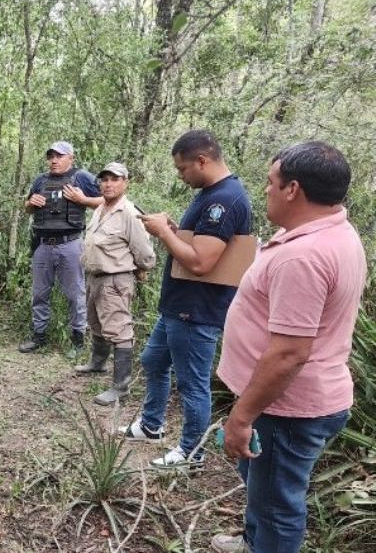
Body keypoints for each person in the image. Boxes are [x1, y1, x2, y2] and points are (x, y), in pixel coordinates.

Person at [210, 142, 366, 553]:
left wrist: (242, 418)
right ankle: (252, 540)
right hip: (284, 403)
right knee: (264, 488)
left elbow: (289, 353)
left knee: (278, 503)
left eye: (270, 182)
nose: (265, 190)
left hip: (286, 408)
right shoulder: (332, 231)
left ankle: (266, 542)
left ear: (293, 189)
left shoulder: (305, 256)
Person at [118, 130, 252, 469]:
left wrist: (163, 233)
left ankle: (192, 452)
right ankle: (151, 425)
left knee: (192, 383)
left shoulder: (226, 201)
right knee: (153, 361)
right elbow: (199, 246)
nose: (180, 175)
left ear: (202, 161)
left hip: (197, 309)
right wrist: (175, 230)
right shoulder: (211, 194)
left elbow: (200, 262)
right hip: (178, 305)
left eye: (182, 169)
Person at [76, 162, 155, 405]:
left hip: (115, 279)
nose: (108, 184)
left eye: (115, 179)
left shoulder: (129, 213)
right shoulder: (100, 208)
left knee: (119, 329)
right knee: (96, 321)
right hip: (94, 276)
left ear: (125, 183)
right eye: (105, 179)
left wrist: (141, 268)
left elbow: (144, 251)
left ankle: (121, 386)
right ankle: (97, 363)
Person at [19, 141, 102, 357]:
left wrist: (82, 199)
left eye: (59, 156)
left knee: (75, 294)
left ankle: (78, 340)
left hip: (71, 243)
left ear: (71, 158)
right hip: (43, 244)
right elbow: (26, 207)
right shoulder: (40, 180)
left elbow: (107, 199)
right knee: (39, 294)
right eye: (51, 156)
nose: (54, 160)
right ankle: (39, 337)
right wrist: (30, 203)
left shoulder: (81, 177)